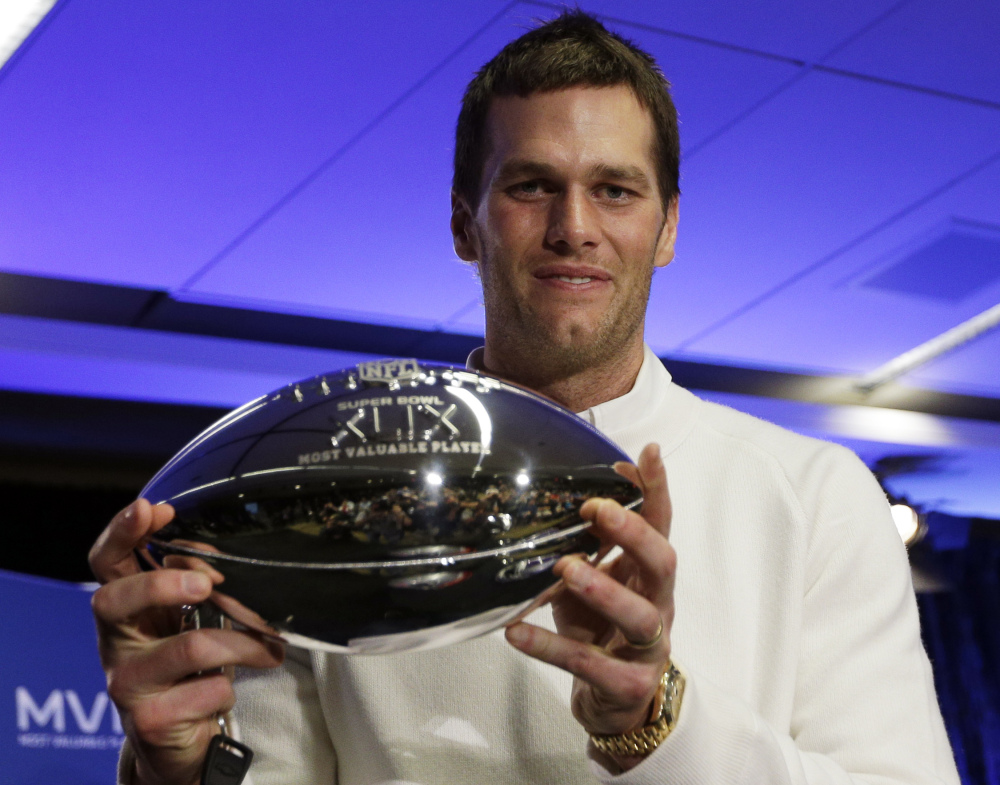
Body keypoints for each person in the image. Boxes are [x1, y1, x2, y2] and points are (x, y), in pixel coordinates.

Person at [89, 11, 959, 784]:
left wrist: (659, 719)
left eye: (614, 189)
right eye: (532, 185)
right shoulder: (327, 499)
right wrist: (178, 770)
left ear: (668, 228)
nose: (574, 224)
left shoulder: (816, 495)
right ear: (466, 222)